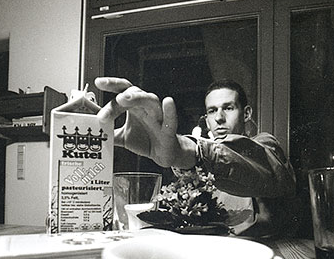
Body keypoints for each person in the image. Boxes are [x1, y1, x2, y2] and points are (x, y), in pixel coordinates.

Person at [95, 77, 297, 237]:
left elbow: (266, 169)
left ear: (246, 114)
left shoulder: (265, 145)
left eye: (228, 108)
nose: (219, 118)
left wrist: (188, 150)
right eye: (212, 111)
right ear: (206, 121)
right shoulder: (190, 168)